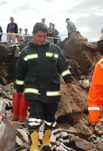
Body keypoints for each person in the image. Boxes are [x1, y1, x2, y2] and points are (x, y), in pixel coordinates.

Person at [15, 22, 73, 151]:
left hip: (51, 90)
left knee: (50, 118)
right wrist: (19, 89)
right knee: (35, 117)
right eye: (39, 36)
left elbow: (63, 65)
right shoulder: (26, 51)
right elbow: (20, 72)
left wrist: (67, 79)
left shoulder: (55, 49)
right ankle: (34, 145)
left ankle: (46, 139)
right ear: (33, 35)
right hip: (33, 89)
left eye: (44, 36)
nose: (42, 39)